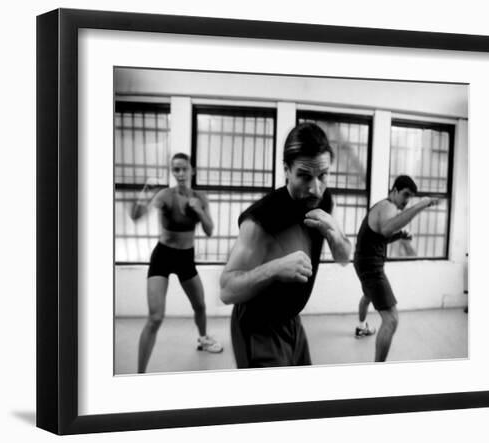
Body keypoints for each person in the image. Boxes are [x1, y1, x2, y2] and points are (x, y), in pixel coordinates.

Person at [220, 123, 352, 368]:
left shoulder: (324, 200)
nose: (316, 188)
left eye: (323, 175)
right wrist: (275, 268)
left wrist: (334, 233)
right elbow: (227, 290)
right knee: (273, 404)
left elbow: (344, 258)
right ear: (286, 170)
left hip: (292, 320)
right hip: (259, 327)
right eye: (304, 176)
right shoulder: (261, 219)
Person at [130, 153, 223, 374]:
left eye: (183, 169)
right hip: (162, 256)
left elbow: (210, 231)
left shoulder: (200, 197)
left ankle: (202, 338)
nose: (180, 174)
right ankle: (138, 375)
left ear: (192, 170)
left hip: (185, 258)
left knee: (200, 305)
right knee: (155, 317)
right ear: (173, 172)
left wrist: (198, 210)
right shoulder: (165, 195)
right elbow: (137, 215)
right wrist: (145, 194)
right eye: (176, 170)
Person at [353, 175, 437, 362]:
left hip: (361, 263)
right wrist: (421, 205)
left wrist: (399, 235)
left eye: (411, 198)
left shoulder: (383, 207)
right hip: (371, 267)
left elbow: (381, 235)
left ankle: (361, 326)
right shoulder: (388, 206)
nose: (406, 201)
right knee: (391, 320)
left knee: (367, 297)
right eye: (405, 195)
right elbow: (386, 230)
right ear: (394, 191)